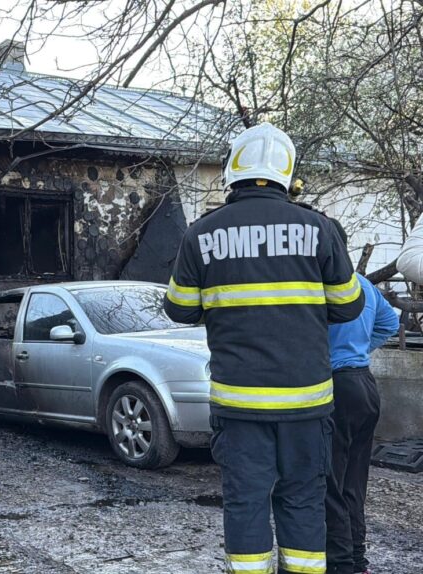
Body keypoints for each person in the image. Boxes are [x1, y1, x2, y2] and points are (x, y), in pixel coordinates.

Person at [163, 122, 364, 574]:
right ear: (287, 176)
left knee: (246, 503)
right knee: (303, 501)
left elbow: (178, 309)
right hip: (307, 405)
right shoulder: (320, 228)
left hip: (239, 406)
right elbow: (350, 307)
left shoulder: (202, 234)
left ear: (232, 173)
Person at [326, 220, 398, 574]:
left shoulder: (318, 287)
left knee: (330, 484)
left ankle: (340, 563)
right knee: (354, 482)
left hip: (333, 387)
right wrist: (358, 349)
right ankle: (357, 560)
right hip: (364, 385)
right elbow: (390, 325)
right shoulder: (364, 285)